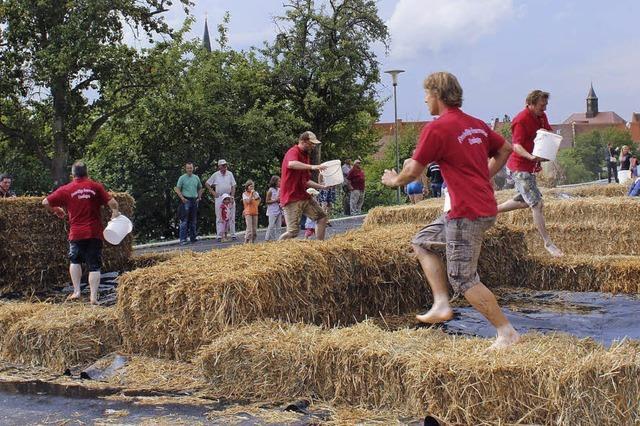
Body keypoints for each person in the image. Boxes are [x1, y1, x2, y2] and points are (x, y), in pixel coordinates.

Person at [381, 71, 519, 350]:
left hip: (466, 212)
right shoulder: (476, 125)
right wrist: (485, 175)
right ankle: (441, 303)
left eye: (426, 95)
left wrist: (393, 180)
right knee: (422, 241)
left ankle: (507, 333)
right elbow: (506, 149)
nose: (424, 100)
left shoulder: (437, 128)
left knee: (463, 278)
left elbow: (413, 171)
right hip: (477, 206)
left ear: (437, 95)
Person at [496, 90, 563, 257]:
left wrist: (550, 152)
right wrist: (531, 156)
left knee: (523, 201)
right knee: (536, 204)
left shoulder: (541, 117)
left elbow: (548, 134)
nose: (545, 108)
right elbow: (516, 146)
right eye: (542, 105)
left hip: (530, 167)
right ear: (531, 104)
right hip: (519, 167)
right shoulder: (520, 120)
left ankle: (490, 210)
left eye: (546, 105)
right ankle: (548, 243)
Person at [42, 161, 120, 304]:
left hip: (76, 233)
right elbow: (113, 203)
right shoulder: (95, 187)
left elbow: (45, 202)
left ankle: (77, 291)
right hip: (94, 232)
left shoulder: (67, 189)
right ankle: (93, 297)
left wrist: (56, 209)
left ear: (73, 175)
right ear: (87, 173)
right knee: (94, 265)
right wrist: (115, 212)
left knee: (75, 260)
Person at [278, 131, 328, 241]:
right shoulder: (293, 151)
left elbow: (306, 181)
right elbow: (291, 164)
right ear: (302, 141)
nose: (313, 146)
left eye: (314, 144)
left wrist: (321, 186)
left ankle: (321, 247)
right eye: (311, 143)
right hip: (291, 198)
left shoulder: (306, 156)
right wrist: (313, 167)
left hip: (303, 196)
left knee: (322, 218)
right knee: (293, 232)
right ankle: (277, 249)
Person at [205, 159, 237, 242]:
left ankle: (233, 234)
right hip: (220, 197)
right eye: (222, 165)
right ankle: (219, 235)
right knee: (219, 216)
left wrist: (232, 196)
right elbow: (207, 183)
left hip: (228, 196)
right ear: (219, 166)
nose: (224, 167)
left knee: (231, 216)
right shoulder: (216, 175)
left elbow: (233, 185)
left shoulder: (230, 174)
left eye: (225, 165)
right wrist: (212, 192)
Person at [174, 162, 203, 245]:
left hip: (194, 200)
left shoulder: (196, 177)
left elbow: (200, 188)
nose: (189, 169)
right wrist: (182, 198)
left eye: (191, 168)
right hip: (186, 200)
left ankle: (193, 238)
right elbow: (177, 188)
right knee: (184, 221)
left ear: (193, 168)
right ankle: (183, 240)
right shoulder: (182, 178)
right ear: (185, 169)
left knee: (193, 220)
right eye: (188, 168)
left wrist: (199, 197)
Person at [264, 176, 283, 241]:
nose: (280, 182)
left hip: (279, 210)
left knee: (279, 227)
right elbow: (267, 201)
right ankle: (267, 239)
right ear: (275, 182)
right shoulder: (270, 190)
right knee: (271, 226)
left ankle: (278, 239)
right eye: (279, 181)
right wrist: (275, 200)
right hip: (272, 210)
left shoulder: (279, 189)